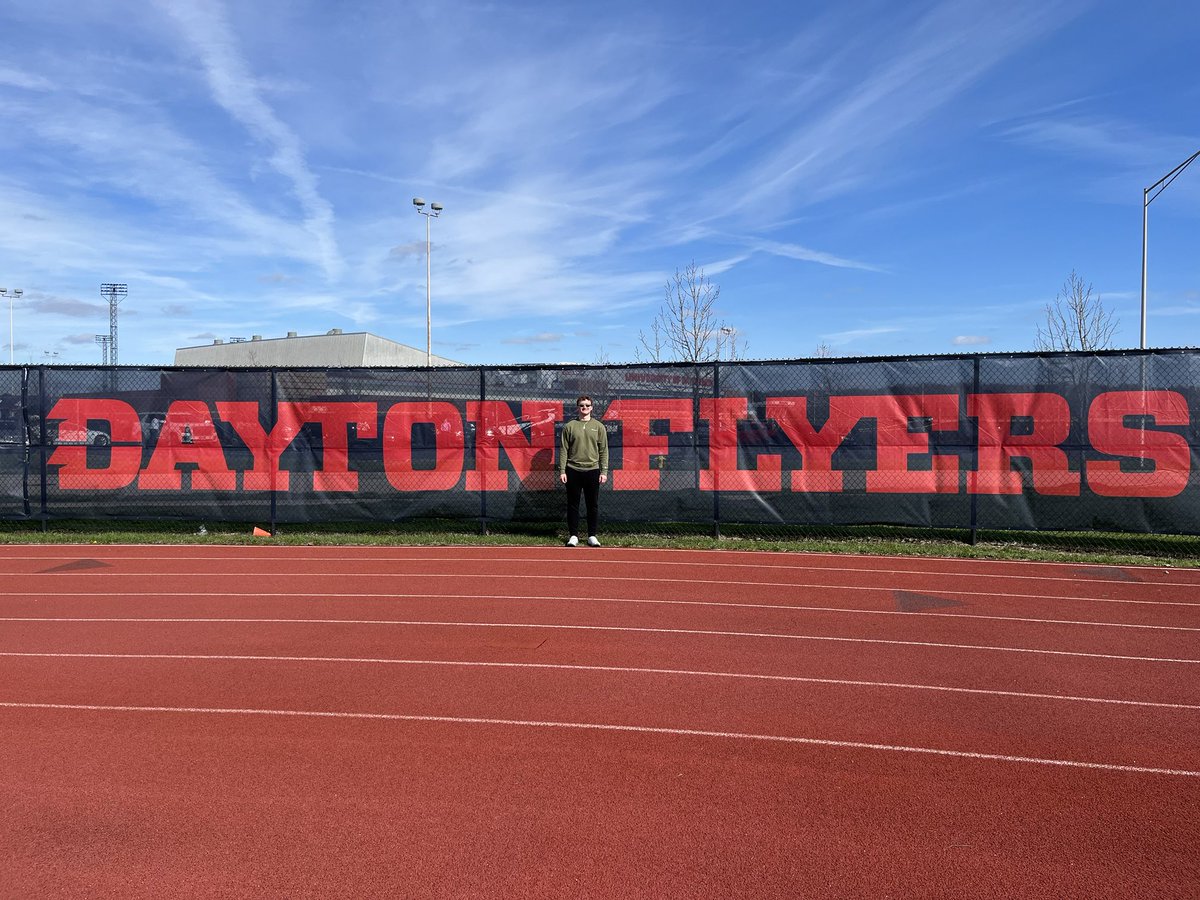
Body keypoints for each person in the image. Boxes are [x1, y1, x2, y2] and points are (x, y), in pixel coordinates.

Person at [558, 395, 608, 547]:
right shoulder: (570, 426)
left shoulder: (599, 426)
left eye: (587, 405)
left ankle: (592, 536)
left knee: (592, 504)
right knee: (573, 504)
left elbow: (603, 450)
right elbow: (564, 450)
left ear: (592, 408)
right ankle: (573, 536)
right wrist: (562, 470)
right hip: (573, 470)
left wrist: (604, 471)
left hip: (593, 471)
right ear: (577, 407)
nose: (584, 408)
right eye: (581, 405)